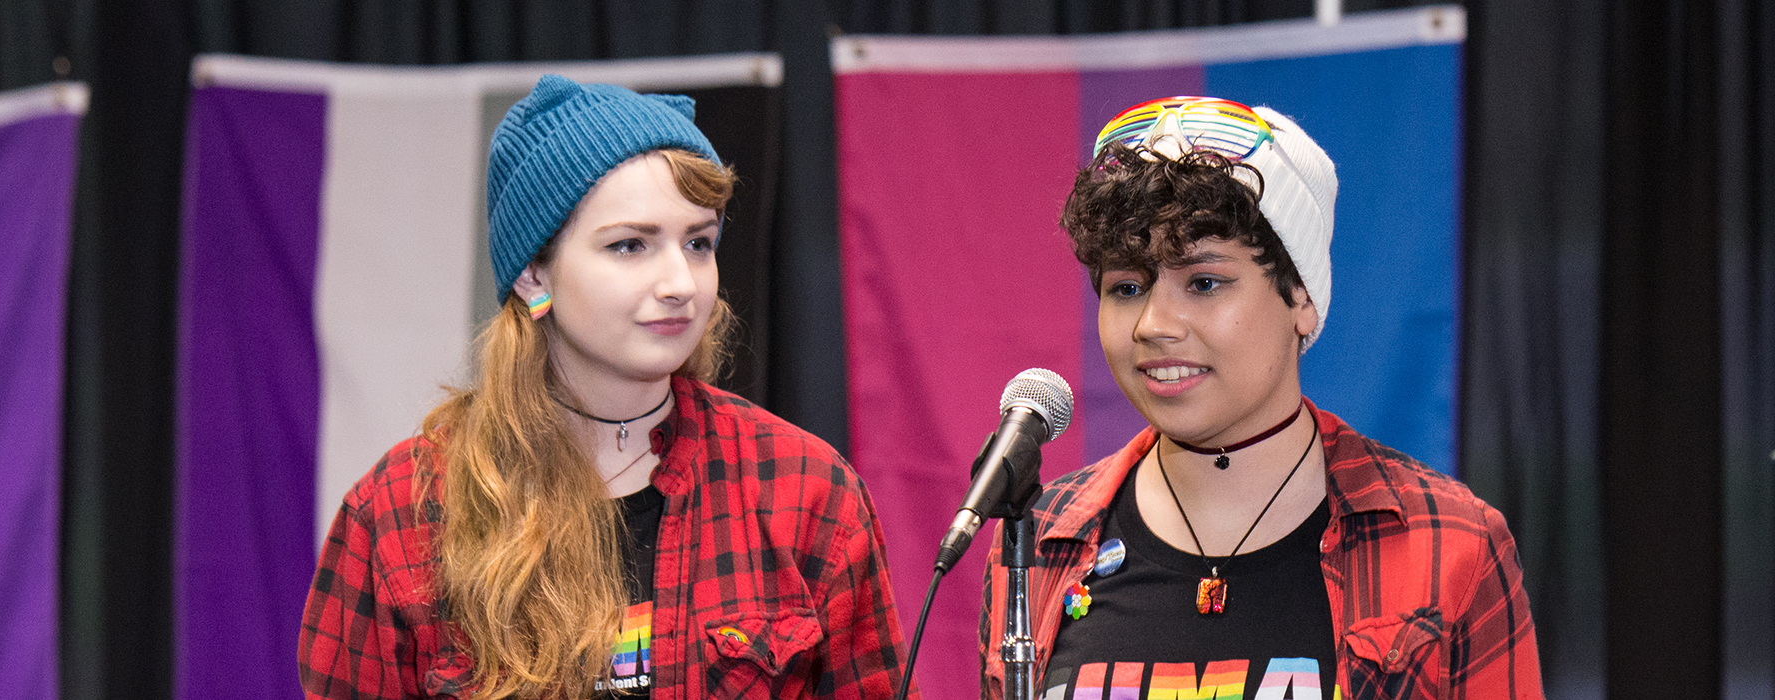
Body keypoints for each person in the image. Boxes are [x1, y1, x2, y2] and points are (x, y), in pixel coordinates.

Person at [299, 75, 907, 700]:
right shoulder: (401, 511)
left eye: (698, 242)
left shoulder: (803, 490)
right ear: (534, 275)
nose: (680, 281)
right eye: (630, 246)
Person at [979, 97, 1542, 699]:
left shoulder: (1450, 542)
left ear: (1301, 297)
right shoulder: (1037, 538)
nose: (1152, 323)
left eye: (1203, 282)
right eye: (1126, 286)